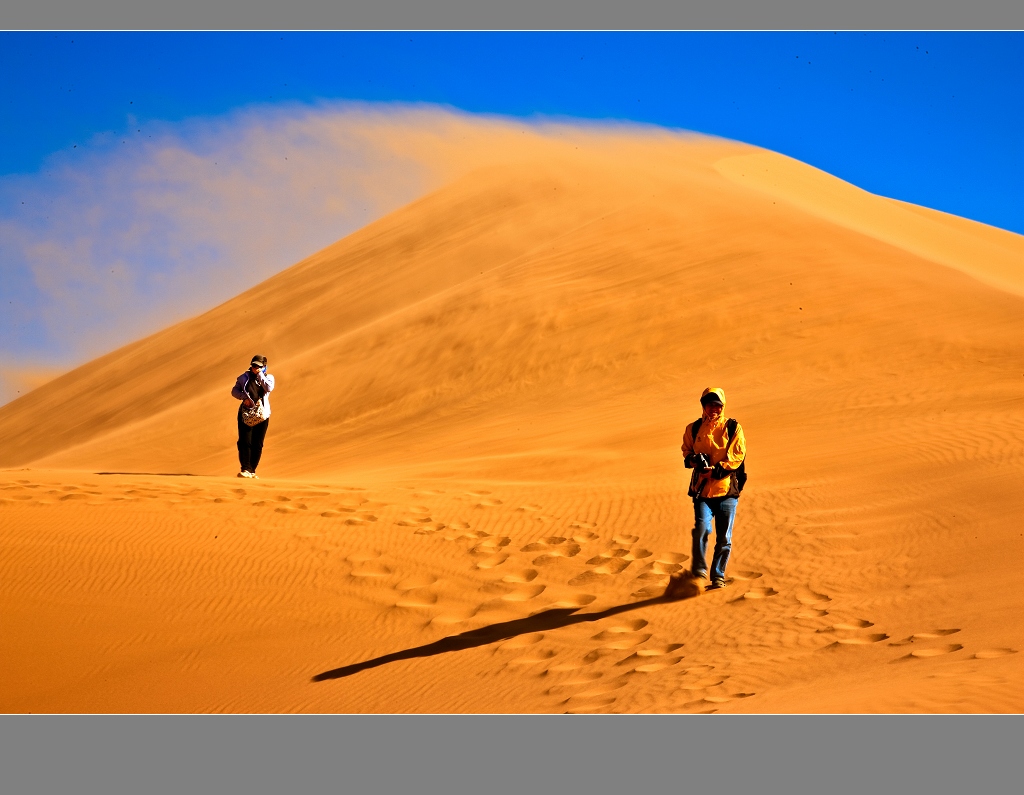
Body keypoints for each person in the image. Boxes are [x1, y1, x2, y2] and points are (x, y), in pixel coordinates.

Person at [680, 387, 746, 590]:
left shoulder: (733, 427)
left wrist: (715, 471)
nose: (713, 409)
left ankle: (718, 575)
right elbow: (686, 450)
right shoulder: (693, 428)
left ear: (722, 406)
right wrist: (694, 460)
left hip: (726, 490)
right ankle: (699, 572)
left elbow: (737, 455)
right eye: (709, 404)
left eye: (717, 405)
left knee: (724, 537)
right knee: (701, 528)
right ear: (703, 406)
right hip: (702, 490)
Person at [231, 355, 275, 479]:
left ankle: (252, 470)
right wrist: (243, 397)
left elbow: (269, 388)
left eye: (259, 366)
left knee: (258, 443)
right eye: (254, 366)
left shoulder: (269, 378)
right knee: (244, 441)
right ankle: (245, 469)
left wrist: (260, 375)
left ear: (264, 367)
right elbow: (234, 391)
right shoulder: (243, 378)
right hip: (246, 413)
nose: (256, 368)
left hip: (263, 414)